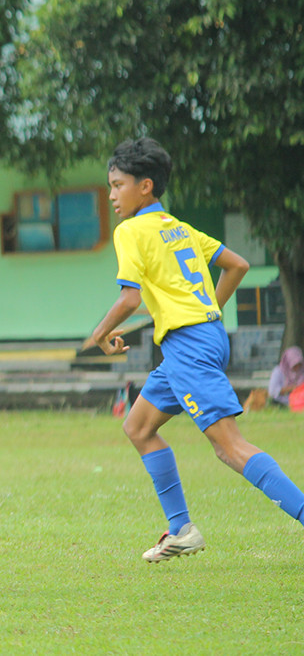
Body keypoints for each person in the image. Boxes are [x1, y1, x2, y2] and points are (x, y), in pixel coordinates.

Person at [84, 137, 304, 562]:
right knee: (138, 427)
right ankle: (181, 529)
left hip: (188, 345)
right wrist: (208, 310)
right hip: (201, 338)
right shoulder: (178, 228)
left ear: (144, 186)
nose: (111, 195)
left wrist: (99, 335)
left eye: (117, 185)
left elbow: (130, 299)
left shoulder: (129, 230)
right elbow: (236, 264)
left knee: (230, 447)